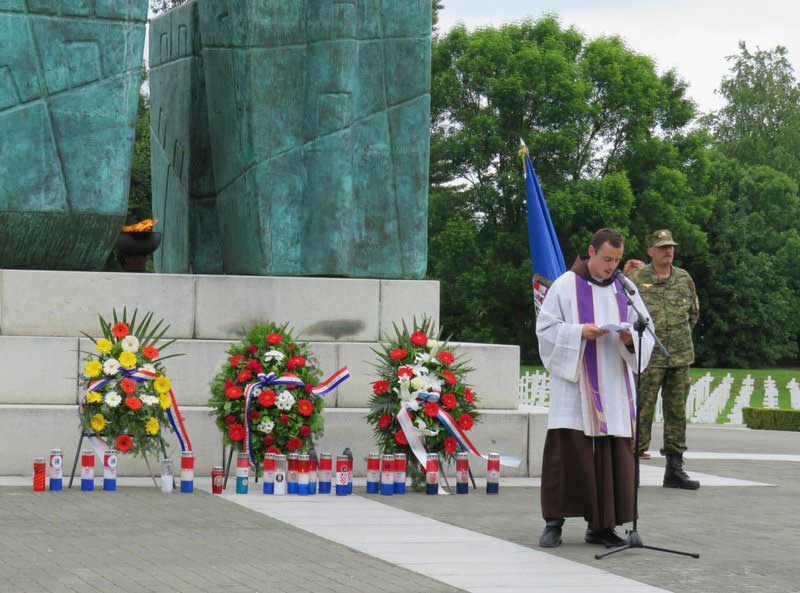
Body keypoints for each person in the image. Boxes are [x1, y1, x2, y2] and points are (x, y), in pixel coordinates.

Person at [536, 228, 654, 548]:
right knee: (567, 453)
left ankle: (602, 526)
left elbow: (647, 329)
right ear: (591, 251)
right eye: (605, 259)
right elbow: (545, 330)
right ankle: (553, 523)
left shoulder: (625, 287)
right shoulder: (564, 285)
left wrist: (632, 339)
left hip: (613, 384)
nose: (610, 266)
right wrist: (578, 332)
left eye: (615, 260)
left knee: (609, 457)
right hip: (575, 386)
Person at [625, 229, 700, 490]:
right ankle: (630, 468)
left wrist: (677, 338)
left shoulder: (684, 278)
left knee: (677, 413)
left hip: (680, 357)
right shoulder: (635, 278)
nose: (668, 251)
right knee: (642, 412)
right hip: (649, 358)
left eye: (670, 247)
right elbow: (626, 312)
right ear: (650, 251)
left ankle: (675, 468)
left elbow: (693, 313)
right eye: (662, 247)